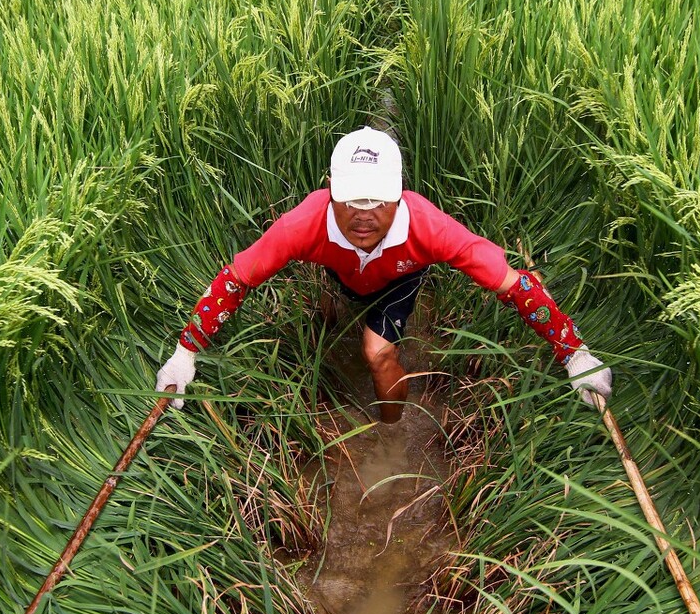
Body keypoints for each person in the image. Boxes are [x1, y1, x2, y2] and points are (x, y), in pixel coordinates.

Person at [156, 127, 612, 422]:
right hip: (337, 270)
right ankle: (332, 317)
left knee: (375, 350)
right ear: (331, 191)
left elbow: (513, 284)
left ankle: (391, 429)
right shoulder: (305, 223)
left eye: (378, 200)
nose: (364, 215)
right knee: (329, 310)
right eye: (352, 198)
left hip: (399, 280)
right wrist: (185, 353)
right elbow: (236, 279)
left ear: (399, 195)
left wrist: (574, 354)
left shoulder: (428, 227)